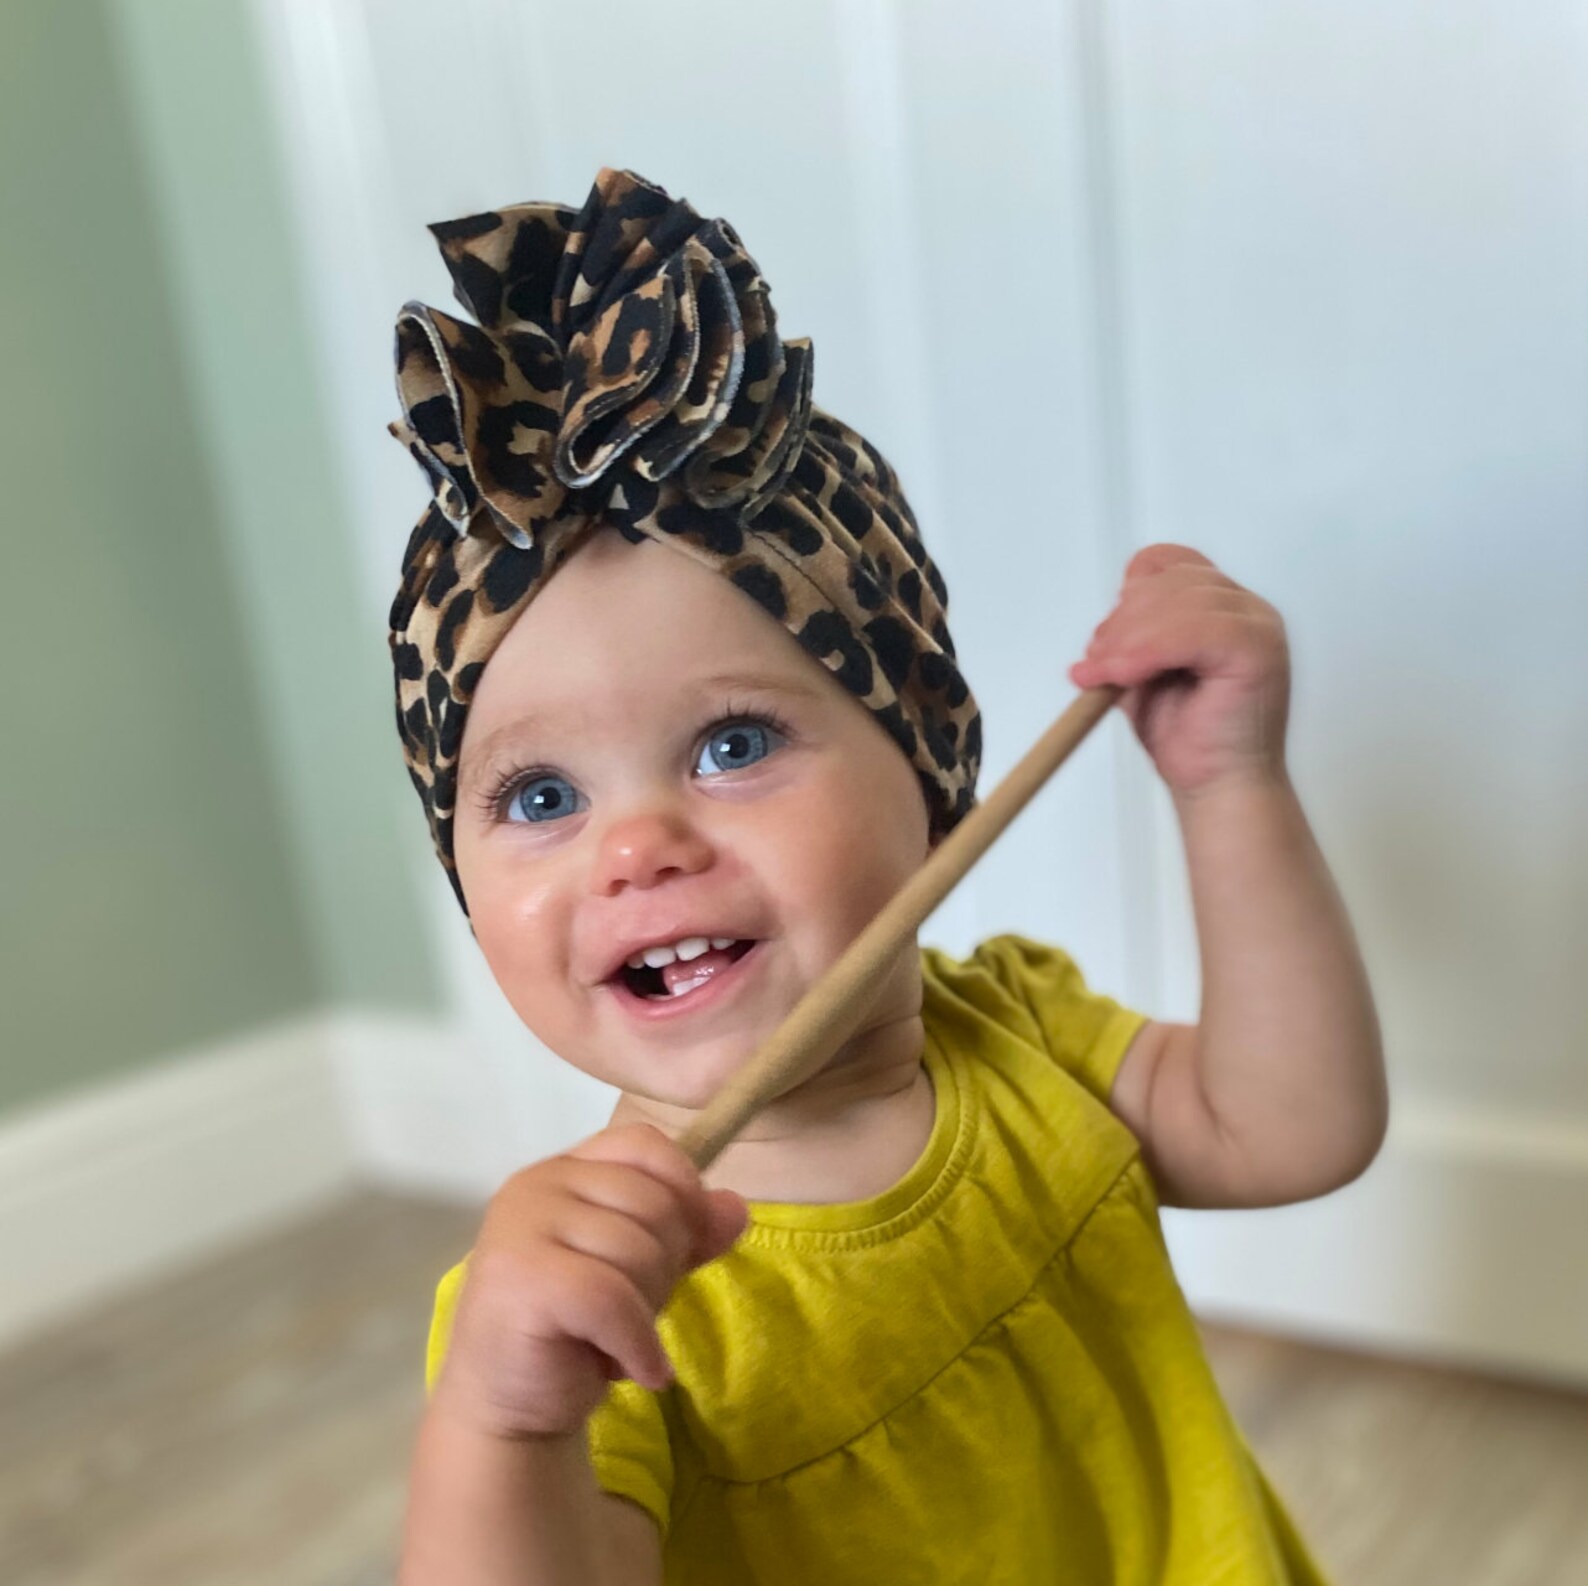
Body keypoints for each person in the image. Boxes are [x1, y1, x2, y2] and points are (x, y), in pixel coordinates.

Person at [388, 167, 1386, 1585]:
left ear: (927, 768)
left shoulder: (1022, 1039)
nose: (637, 847)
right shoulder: (590, 1294)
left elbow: (1297, 1128)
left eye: (733, 744)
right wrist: (502, 1422)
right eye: (541, 796)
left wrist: (1230, 785)